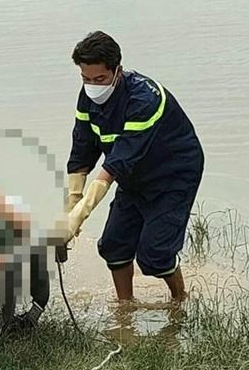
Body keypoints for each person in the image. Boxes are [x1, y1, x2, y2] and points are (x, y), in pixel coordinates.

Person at [64, 31, 204, 302]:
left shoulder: (145, 100)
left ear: (118, 71)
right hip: (133, 177)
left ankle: (180, 301)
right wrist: (72, 202)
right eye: (85, 78)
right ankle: (125, 307)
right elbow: (82, 148)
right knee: (113, 246)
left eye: (99, 79)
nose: (92, 86)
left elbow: (117, 162)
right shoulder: (87, 97)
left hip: (172, 174)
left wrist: (82, 214)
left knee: (155, 255)